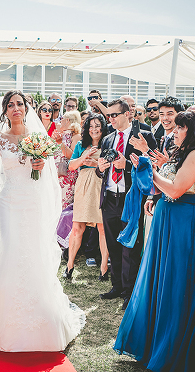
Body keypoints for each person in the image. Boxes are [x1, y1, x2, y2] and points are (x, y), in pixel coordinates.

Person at [0, 89, 85, 352]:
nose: (16, 108)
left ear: (26, 108)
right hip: (10, 202)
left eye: (20, 104)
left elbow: (49, 174)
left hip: (33, 202)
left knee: (33, 251)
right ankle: (0, 317)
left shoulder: (38, 137)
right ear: (5, 111)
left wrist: (40, 166)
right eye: (11, 105)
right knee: (10, 250)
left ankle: (42, 313)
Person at [114, 110, 195, 371]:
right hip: (172, 219)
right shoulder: (184, 153)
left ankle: (173, 346)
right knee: (164, 278)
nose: (175, 132)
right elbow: (167, 184)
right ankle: (157, 342)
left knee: (178, 281)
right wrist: (151, 170)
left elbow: (175, 189)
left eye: (180, 128)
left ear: (192, 131)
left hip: (186, 222)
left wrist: (149, 169)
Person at [95, 99, 157, 310]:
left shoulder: (143, 136)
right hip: (110, 197)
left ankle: (130, 293)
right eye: (109, 115)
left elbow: (152, 168)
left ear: (127, 114)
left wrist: (127, 165)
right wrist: (100, 168)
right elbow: (100, 171)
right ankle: (117, 286)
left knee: (130, 246)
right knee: (113, 244)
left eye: (114, 115)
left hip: (131, 199)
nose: (110, 119)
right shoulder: (107, 139)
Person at [63, 114, 108, 281]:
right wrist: (83, 158)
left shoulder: (109, 144)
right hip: (83, 187)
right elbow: (71, 166)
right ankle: (69, 266)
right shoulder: (81, 145)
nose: (94, 129)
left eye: (97, 126)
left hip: (102, 185)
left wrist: (96, 164)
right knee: (77, 227)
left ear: (103, 128)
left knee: (102, 228)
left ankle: (104, 268)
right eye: (91, 126)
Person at [52, 110, 81, 209]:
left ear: (67, 120)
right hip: (56, 175)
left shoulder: (76, 136)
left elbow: (73, 156)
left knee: (64, 206)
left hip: (67, 177)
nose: (60, 121)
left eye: (62, 119)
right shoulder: (61, 135)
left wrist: (60, 143)